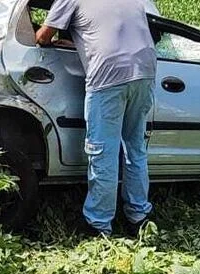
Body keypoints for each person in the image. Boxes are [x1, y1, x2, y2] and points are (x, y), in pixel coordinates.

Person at [36, 0, 157, 237]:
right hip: (145, 71)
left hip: (108, 76)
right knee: (135, 148)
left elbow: (42, 37)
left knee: (103, 152)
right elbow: (153, 28)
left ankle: (99, 224)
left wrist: (61, 38)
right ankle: (139, 216)